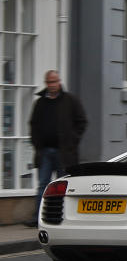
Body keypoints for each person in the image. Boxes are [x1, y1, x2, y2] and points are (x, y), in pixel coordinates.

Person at [25, 70, 87, 227]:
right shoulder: (40, 103)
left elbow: (82, 122)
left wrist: (72, 142)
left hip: (64, 153)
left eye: (55, 81)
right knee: (43, 185)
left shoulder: (70, 100)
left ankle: (63, 217)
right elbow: (33, 124)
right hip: (45, 151)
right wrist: (36, 144)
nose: (52, 85)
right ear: (46, 83)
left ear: (59, 82)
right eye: (49, 82)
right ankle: (38, 217)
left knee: (64, 186)